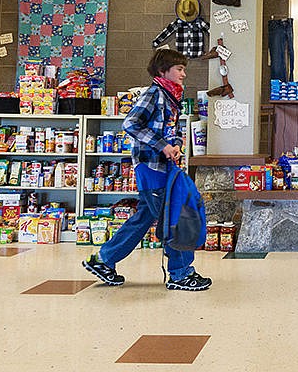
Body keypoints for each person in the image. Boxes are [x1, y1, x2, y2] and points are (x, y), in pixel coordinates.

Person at [82, 48, 211, 291]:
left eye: (184, 69)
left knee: (146, 216)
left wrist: (177, 146)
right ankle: (180, 273)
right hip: (151, 166)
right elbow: (131, 123)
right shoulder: (154, 94)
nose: (184, 74)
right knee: (174, 214)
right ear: (164, 71)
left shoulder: (172, 97)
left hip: (164, 166)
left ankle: (103, 260)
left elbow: (174, 130)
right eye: (179, 69)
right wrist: (163, 146)